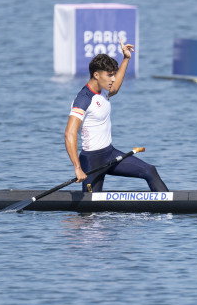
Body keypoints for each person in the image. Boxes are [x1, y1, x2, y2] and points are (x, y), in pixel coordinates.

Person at [64, 39, 168, 192]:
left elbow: (116, 87)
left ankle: (169, 210)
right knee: (90, 212)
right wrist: (77, 168)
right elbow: (69, 133)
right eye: (109, 75)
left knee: (149, 171)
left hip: (110, 154)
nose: (113, 79)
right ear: (96, 75)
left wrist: (126, 58)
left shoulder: (103, 91)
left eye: (114, 75)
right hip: (92, 161)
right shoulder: (83, 99)